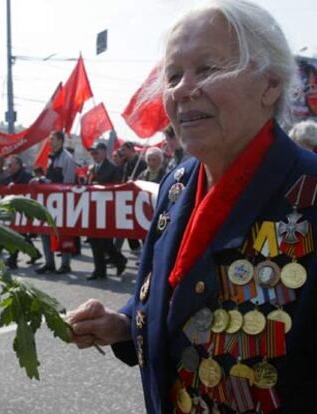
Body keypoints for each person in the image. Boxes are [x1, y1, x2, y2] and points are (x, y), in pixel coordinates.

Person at [67, 1, 317, 413]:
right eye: (173, 75)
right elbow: (172, 299)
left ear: (269, 84)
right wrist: (123, 324)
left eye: (208, 69)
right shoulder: (176, 184)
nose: (183, 89)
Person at [36, 130, 76, 275]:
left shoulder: (68, 158)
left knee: (63, 232)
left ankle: (66, 264)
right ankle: (49, 262)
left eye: (52, 139)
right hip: (49, 201)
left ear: (60, 140)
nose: (49, 142)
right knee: (44, 231)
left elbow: (69, 182)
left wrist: (48, 183)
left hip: (63, 202)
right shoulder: (49, 157)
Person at [86, 142, 127, 280]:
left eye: (96, 152)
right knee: (93, 240)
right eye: (92, 153)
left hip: (107, 210)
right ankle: (99, 270)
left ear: (104, 152)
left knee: (105, 242)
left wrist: (101, 186)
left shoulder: (113, 168)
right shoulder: (92, 168)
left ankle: (120, 260)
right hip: (93, 208)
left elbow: (116, 187)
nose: (94, 156)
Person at [4, 155, 41, 269]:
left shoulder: (26, 177)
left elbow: (31, 190)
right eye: (8, 163)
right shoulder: (10, 176)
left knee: (16, 234)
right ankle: (35, 253)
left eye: (12, 163)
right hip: (15, 209)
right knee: (21, 234)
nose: (9, 165)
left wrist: (16, 187)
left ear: (18, 165)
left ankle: (12, 260)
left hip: (24, 210)